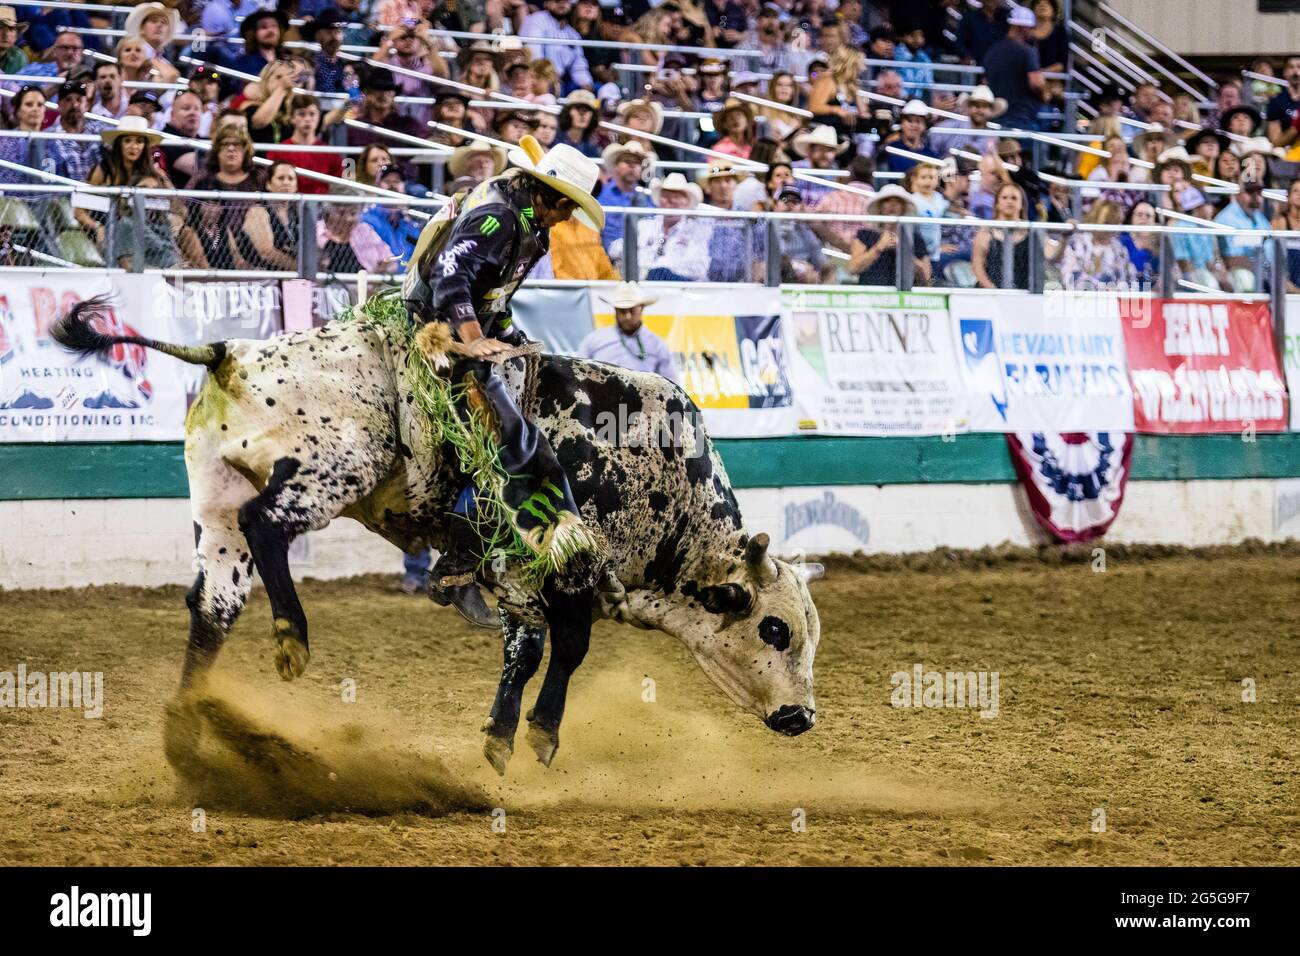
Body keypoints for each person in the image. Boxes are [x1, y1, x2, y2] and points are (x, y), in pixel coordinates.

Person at [401, 137, 607, 623]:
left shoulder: (524, 220)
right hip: (440, 333)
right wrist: (473, 339)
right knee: (506, 447)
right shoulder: (498, 217)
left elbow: (492, 290)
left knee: (520, 433)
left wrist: (511, 334)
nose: (566, 220)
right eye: (567, 209)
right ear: (553, 199)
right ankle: (455, 571)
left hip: (466, 327)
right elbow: (452, 273)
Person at [578, 282, 678, 382]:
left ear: (642, 308)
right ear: (615, 310)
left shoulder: (657, 346)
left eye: (632, 310)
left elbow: (671, 384)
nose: (627, 316)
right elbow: (578, 376)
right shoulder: (594, 340)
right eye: (622, 310)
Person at [627, 173, 710, 282]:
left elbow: (698, 268)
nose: (671, 201)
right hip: (643, 283)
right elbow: (623, 251)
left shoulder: (696, 230)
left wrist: (658, 268)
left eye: (677, 196)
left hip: (681, 288)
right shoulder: (645, 225)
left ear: (687, 202)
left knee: (659, 273)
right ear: (659, 200)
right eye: (666, 196)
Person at [849, 184, 932, 287]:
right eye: (887, 201)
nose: (892, 205)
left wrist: (902, 250)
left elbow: (926, 278)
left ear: (903, 208)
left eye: (897, 201)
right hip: (870, 295)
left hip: (903, 296)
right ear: (880, 207)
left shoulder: (914, 237)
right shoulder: (865, 235)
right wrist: (878, 247)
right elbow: (853, 268)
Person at [984, 5, 1044, 132]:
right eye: (1031, 28)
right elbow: (1036, 83)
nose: (1032, 32)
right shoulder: (1028, 52)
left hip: (996, 117)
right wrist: (1044, 95)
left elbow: (985, 81)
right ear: (1023, 28)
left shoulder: (992, 51)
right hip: (1023, 116)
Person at [266, 95, 342, 194]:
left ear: (319, 117)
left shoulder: (331, 154)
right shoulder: (277, 152)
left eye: (312, 114)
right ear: (292, 118)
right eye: (302, 114)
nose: (307, 119)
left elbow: (340, 187)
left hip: (321, 206)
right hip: (287, 204)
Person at [1060, 199, 1137, 291]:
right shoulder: (1078, 243)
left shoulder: (1119, 250)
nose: (1109, 229)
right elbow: (1069, 277)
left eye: (1115, 223)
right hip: (1081, 300)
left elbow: (1130, 281)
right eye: (1106, 223)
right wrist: (1100, 288)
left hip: (1112, 301)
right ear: (1095, 218)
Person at [1214, 173, 1272, 292]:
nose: (1255, 196)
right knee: (1243, 277)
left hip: (1262, 271)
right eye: (1250, 192)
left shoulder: (1259, 217)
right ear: (1237, 194)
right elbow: (1231, 260)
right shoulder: (1226, 218)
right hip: (1235, 273)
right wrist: (1261, 267)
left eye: (1259, 192)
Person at [519, 0, 593, 94]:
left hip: (562, 83)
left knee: (601, 88)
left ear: (571, 4)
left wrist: (586, 84)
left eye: (566, 1)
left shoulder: (572, 34)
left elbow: (578, 66)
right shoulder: (535, 20)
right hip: (538, 78)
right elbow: (535, 58)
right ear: (547, 3)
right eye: (557, 1)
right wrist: (552, 76)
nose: (562, 3)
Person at [237, 160, 299, 271]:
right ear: (268, 184)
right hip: (262, 277)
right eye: (281, 178)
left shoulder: (296, 213)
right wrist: (300, 268)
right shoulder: (258, 210)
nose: (286, 183)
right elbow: (266, 252)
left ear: (296, 186)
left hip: (290, 276)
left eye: (291, 178)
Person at [971, 181, 1031, 289]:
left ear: (1021, 204)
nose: (1009, 201)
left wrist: (1065, 238)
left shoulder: (1032, 231)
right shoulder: (985, 232)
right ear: (997, 203)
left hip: (1023, 295)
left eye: (1014, 198)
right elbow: (977, 267)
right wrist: (994, 291)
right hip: (990, 295)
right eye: (1004, 197)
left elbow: (1052, 256)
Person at [362, 163, 422, 267]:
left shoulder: (411, 225)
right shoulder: (366, 219)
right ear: (378, 185)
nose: (392, 185)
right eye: (387, 181)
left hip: (408, 280)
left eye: (397, 181)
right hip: (375, 279)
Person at [46, 80, 105, 182]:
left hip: (99, 194)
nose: (74, 105)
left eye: (79, 100)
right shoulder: (48, 139)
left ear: (87, 105)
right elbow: (48, 180)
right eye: (68, 100)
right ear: (59, 104)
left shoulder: (99, 132)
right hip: (64, 196)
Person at [772, 186, 833, 283]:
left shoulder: (805, 230)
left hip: (802, 281)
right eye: (784, 200)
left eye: (795, 201)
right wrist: (799, 267)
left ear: (801, 207)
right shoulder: (766, 228)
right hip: (773, 278)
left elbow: (822, 263)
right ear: (775, 206)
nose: (790, 204)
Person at [597, 140, 649, 253]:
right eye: (627, 161)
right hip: (605, 254)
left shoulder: (647, 198)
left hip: (640, 253)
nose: (632, 166)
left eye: (637, 162)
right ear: (615, 166)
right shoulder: (600, 194)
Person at [929, 84, 1007, 159]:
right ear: (968, 107)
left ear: (991, 111)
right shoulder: (946, 128)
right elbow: (931, 152)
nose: (980, 110)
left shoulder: (994, 138)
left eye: (985, 106)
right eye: (976, 105)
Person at [0, 85, 48, 184]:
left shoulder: (53, 141)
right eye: (29, 104)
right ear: (17, 111)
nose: (35, 109)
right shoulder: (4, 142)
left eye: (40, 105)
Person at [791, 124, 849, 207]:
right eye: (820, 149)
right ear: (810, 151)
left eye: (830, 150)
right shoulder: (795, 169)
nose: (825, 155)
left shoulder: (836, 174)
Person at [883, 100, 939, 174]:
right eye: (909, 120)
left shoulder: (931, 156)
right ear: (901, 123)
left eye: (918, 121)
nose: (913, 125)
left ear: (925, 126)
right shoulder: (889, 150)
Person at [1120, 199, 1160, 287]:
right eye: (1139, 214)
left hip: (1154, 293)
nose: (1143, 218)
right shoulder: (1122, 240)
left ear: (1155, 221)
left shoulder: (1162, 243)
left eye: (1148, 216)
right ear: (1131, 218)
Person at [1266, 55, 1300, 153]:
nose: (1295, 72)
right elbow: (1275, 142)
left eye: (1299, 67)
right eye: (1291, 67)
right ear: (1285, 72)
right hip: (1289, 155)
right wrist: (1295, 127)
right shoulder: (1276, 101)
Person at [556, 89, 601, 157]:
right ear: (567, 112)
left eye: (587, 109)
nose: (582, 114)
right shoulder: (554, 136)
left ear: (592, 116)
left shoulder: (591, 145)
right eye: (578, 108)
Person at [0, 6, 28, 75]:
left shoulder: (19, 57)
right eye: (0, 28)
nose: (6, 34)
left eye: (11, 29)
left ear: (16, 36)